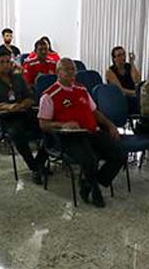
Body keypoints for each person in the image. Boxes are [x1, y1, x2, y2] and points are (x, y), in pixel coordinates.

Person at [38, 58, 126, 208]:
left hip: (91, 132)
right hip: (69, 137)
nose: (72, 72)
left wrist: (110, 125)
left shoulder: (81, 89)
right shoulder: (49, 95)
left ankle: (90, 182)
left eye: (73, 69)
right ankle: (94, 189)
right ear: (58, 72)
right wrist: (63, 125)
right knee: (89, 159)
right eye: (67, 69)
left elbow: (95, 112)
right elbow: (43, 124)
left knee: (120, 154)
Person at [0, 48, 46, 184]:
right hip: (6, 118)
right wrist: (8, 106)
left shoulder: (18, 77)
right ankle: (34, 167)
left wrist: (22, 104)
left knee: (48, 129)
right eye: (2, 62)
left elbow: (30, 97)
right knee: (18, 134)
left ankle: (39, 162)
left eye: (8, 61)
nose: (6, 65)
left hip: (24, 112)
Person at [106, 46, 141, 114]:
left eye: (124, 54)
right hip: (120, 97)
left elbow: (136, 80)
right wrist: (136, 93)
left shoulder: (129, 66)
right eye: (119, 55)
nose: (123, 57)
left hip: (133, 95)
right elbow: (120, 90)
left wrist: (132, 63)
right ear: (114, 59)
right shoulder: (110, 71)